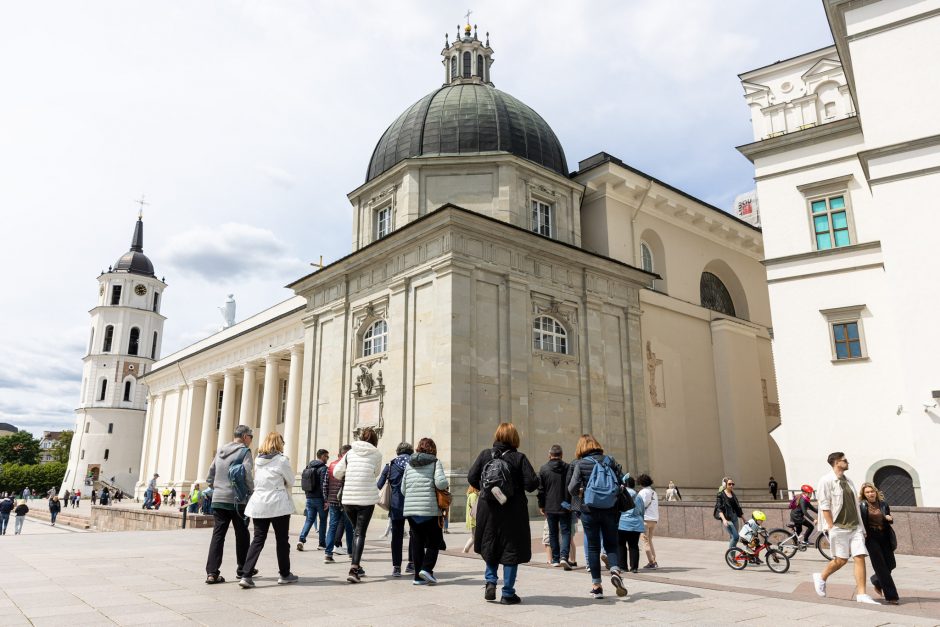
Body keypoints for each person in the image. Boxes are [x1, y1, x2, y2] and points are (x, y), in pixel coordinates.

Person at [467, 422, 539, 605]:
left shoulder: (485, 455)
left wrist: (487, 489)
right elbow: (531, 484)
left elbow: (471, 477)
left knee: (490, 544)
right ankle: (508, 593)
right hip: (513, 511)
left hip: (488, 509)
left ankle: (490, 581)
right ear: (514, 438)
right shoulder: (519, 458)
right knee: (511, 549)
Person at [568, 434, 629, 599]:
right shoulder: (610, 460)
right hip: (611, 509)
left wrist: (581, 493)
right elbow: (622, 482)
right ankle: (615, 570)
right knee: (611, 544)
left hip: (589, 510)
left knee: (593, 547)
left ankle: (597, 587)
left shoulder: (580, 464)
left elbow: (572, 488)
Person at [812, 452, 878, 604]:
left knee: (860, 557)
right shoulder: (826, 480)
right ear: (836, 462)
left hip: (855, 527)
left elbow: (854, 506)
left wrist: (862, 527)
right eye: (844, 460)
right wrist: (831, 526)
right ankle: (821, 577)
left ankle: (861, 594)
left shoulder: (849, 481)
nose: (847, 462)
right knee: (841, 560)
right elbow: (824, 505)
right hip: (838, 527)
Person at [238, 432, 298, 588]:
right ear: (278, 444)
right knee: (282, 540)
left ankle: (246, 574)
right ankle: (284, 574)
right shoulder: (282, 460)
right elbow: (291, 481)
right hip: (278, 503)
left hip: (259, 503)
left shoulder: (258, 460)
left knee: (258, 539)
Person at [204, 424, 255, 585]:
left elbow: (210, 475)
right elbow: (247, 474)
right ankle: (243, 570)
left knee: (218, 535)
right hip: (237, 500)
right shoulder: (244, 451)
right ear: (245, 436)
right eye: (251, 437)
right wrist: (252, 491)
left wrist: (216, 488)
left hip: (218, 499)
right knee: (242, 535)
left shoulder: (220, 451)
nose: (251, 441)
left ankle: (212, 573)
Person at [333, 428, 383, 584]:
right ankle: (354, 569)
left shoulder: (350, 453)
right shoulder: (377, 454)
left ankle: (358, 566)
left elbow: (336, 472)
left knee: (356, 531)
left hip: (348, 499)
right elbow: (376, 473)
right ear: (375, 440)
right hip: (366, 499)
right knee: (360, 533)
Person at [401, 437, 449, 585]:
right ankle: (427, 569)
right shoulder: (435, 462)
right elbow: (441, 483)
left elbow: (403, 489)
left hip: (411, 511)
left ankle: (417, 577)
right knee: (434, 541)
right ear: (433, 449)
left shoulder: (409, 464)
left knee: (417, 542)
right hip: (429, 509)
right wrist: (446, 484)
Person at [376, 442, 413, 576]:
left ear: (398, 452)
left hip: (396, 505)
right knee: (414, 534)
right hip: (413, 504)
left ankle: (396, 567)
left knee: (396, 537)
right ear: (411, 452)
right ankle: (411, 563)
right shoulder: (414, 464)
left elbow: (379, 485)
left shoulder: (390, 465)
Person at [860, 482, 899, 605]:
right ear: (864, 494)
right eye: (867, 492)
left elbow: (888, 517)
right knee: (881, 566)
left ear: (875, 492)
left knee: (891, 564)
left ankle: (876, 580)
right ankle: (891, 596)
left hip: (884, 536)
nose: (870, 494)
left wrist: (889, 518)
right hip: (871, 538)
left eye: (872, 491)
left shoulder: (883, 504)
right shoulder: (862, 506)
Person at [538, 444, 573, 570]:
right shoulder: (569, 468)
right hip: (565, 505)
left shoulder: (543, 469)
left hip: (550, 505)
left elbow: (541, 490)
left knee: (553, 533)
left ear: (549, 455)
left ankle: (555, 559)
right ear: (561, 455)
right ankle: (564, 557)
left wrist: (541, 505)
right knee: (566, 532)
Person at [323, 445, 354, 564]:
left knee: (332, 526)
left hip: (333, 501)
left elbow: (325, 484)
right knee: (349, 527)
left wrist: (327, 499)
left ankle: (328, 554)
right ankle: (351, 553)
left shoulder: (331, 466)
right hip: (346, 500)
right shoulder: (349, 465)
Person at [298, 449, 330, 552]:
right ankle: (321, 543)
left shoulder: (309, 466)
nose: (327, 459)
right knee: (323, 520)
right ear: (322, 456)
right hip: (320, 499)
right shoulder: (323, 468)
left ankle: (301, 540)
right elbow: (323, 485)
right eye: (326, 457)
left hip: (309, 498)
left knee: (309, 520)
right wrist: (326, 500)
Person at [617, 475, 645, 573]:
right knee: (634, 545)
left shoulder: (621, 494)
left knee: (621, 545)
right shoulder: (638, 496)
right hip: (636, 524)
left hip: (621, 523)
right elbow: (642, 511)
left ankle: (623, 567)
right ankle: (634, 568)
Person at [715, 477, 744, 549]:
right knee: (736, 537)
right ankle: (730, 555)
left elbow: (737, 507)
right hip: (727, 518)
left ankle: (732, 556)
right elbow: (719, 509)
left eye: (732, 484)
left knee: (733, 537)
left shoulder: (733, 494)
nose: (731, 485)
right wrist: (724, 520)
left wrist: (744, 518)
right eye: (729, 484)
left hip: (735, 518)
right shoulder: (720, 495)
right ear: (725, 485)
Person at [638, 474, 659, 569]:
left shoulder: (642, 492)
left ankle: (651, 562)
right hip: (654, 519)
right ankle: (654, 560)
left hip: (645, 519)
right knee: (650, 540)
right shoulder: (654, 492)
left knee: (645, 541)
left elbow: (639, 505)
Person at [463, 485, 479, 553]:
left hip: (473, 519)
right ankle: (466, 550)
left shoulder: (471, 495)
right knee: (474, 537)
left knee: (474, 537)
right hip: (474, 520)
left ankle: (466, 550)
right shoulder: (474, 496)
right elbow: (474, 508)